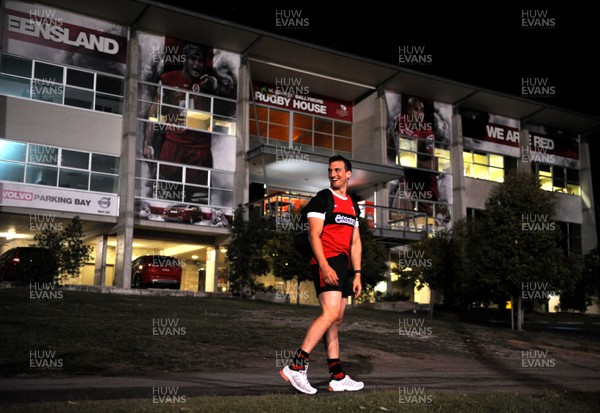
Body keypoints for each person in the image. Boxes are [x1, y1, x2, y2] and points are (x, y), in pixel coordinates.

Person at [280, 155, 364, 394]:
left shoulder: (352, 204)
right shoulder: (322, 199)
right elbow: (313, 236)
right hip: (327, 260)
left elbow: (355, 242)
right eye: (330, 170)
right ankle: (296, 366)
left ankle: (337, 376)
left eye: (338, 170)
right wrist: (324, 265)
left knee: (336, 320)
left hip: (344, 264)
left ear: (348, 174)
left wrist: (357, 274)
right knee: (329, 313)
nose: (333, 173)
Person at [143, 43, 220, 177]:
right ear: (185, 60)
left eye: (200, 61)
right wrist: (148, 143)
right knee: (166, 189)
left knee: (199, 195)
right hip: (174, 144)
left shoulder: (205, 82)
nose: (197, 63)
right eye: (193, 59)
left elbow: (217, 87)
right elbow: (154, 110)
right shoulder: (168, 79)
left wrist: (213, 83)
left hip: (199, 149)